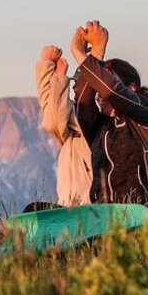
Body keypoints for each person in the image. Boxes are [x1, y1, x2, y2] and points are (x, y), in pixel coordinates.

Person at [70, 21, 148, 205]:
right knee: (35, 210)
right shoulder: (97, 126)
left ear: (131, 87)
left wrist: (89, 54)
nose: (99, 93)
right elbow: (82, 101)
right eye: (96, 87)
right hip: (103, 217)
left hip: (146, 211)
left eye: (103, 82)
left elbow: (112, 91)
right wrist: (93, 57)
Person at [34, 44, 92, 208]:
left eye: (78, 85)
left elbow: (54, 116)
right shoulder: (73, 132)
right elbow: (51, 110)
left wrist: (57, 74)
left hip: (87, 210)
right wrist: (48, 67)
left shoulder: (88, 123)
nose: (74, 88)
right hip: (70, 209)